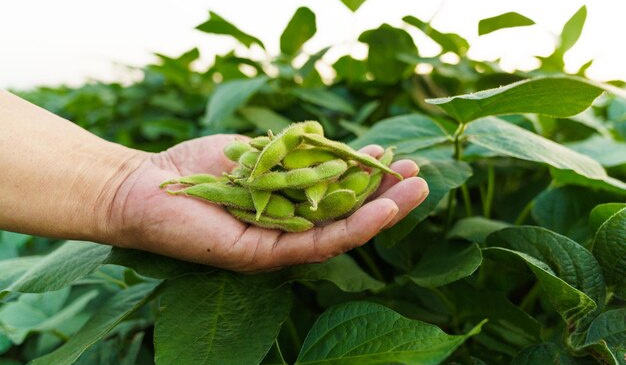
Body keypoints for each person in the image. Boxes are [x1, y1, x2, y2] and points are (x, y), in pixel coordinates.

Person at [0, 90, 429, 273]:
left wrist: (119, 184)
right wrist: (119, 188)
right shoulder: (255, 171)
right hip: (255, 186)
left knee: (315, 177)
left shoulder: (311, 166)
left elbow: (313, 170)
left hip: (275, 184)